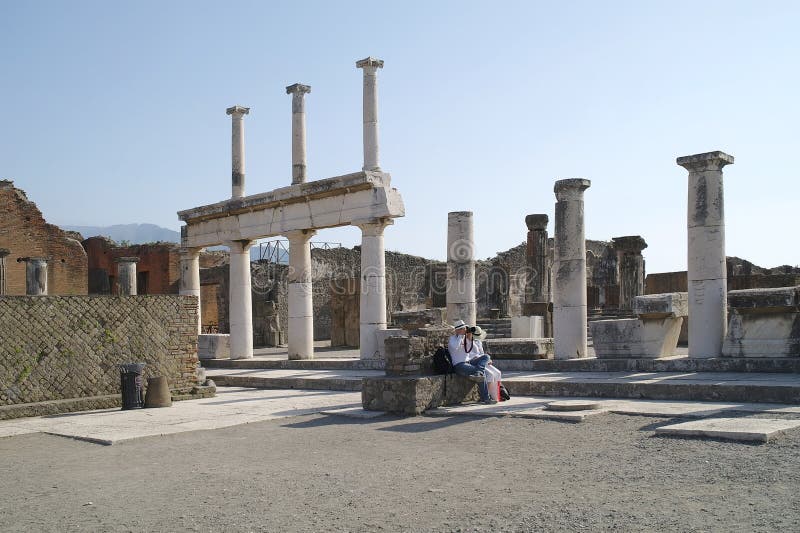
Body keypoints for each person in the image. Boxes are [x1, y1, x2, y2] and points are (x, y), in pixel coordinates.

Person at [448, 320, 496, 404]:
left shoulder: (465, 338)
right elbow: (455, 347)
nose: (464, 330)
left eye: (464, 329)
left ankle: (478, 372)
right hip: (459, 365)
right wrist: (460, 336)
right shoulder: (452, 339)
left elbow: (472, 350)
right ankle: (486, 398)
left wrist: (470, 338)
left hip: (469, 362)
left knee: (486, 357)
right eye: (462, 329)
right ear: (457, 330)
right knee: (482, 373)